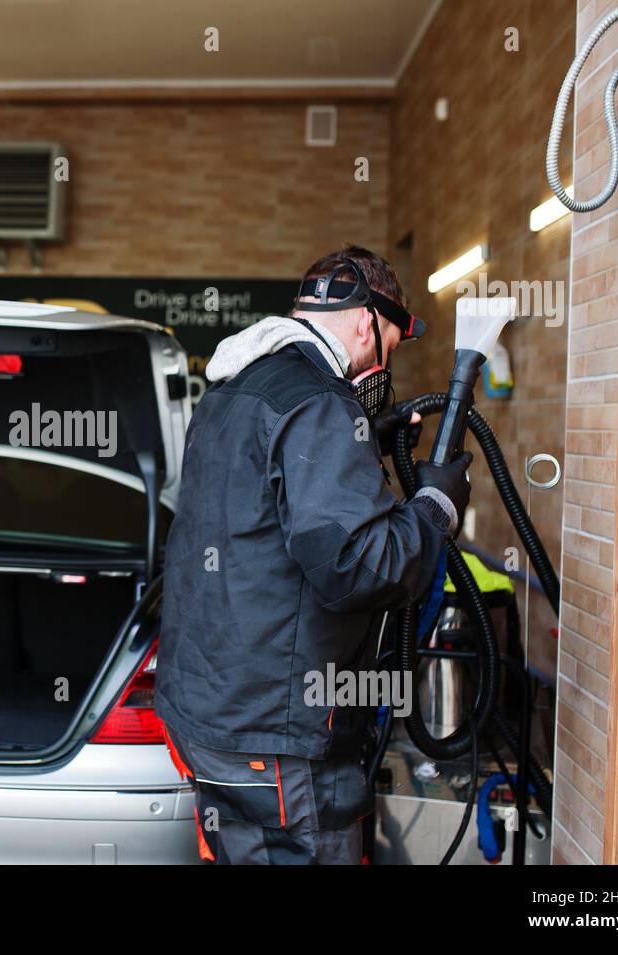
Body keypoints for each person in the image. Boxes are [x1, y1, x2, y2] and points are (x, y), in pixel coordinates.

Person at [154, 245, 473, 865]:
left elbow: (263, 503)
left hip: (213, 713)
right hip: (274, 733)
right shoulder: (320, 403)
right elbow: (361, 568)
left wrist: (362, 444)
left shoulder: (236, 388)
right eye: (394, 342)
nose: (388, 361)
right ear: (367, 323)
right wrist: (436, 506)